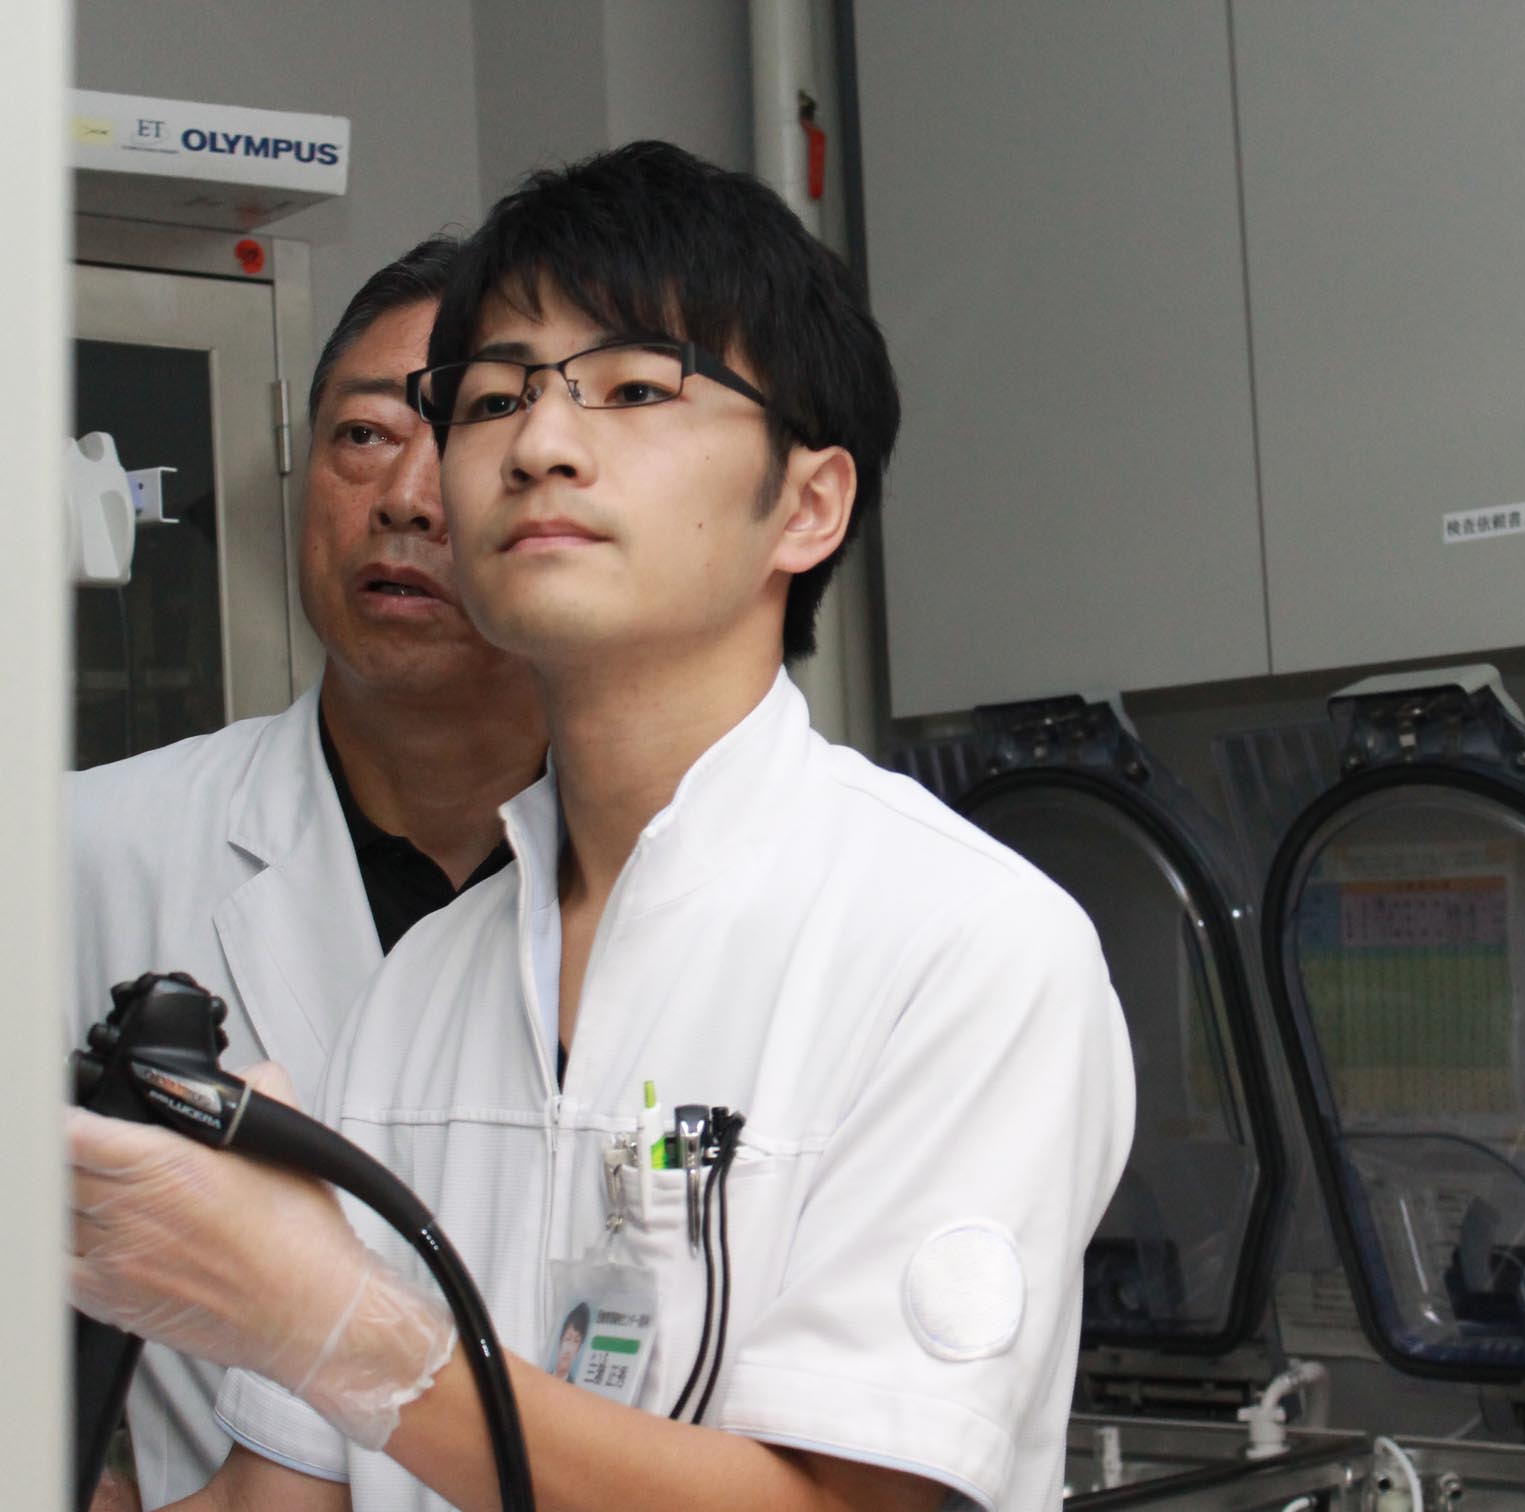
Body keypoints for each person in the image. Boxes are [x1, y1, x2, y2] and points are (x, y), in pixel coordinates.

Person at [69, 142, 1134, 1512]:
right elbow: (283, 1505)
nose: (540, 445)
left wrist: (342, 1331)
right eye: (494, 398)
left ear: (807, 504)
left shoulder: (960, 948)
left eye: (633, 388)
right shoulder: (426, 985)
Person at [67, 235, 547, 1508]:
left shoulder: (639, 883)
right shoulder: (87, 851)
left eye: (465, 433)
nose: (405, 497)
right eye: (362, 436)